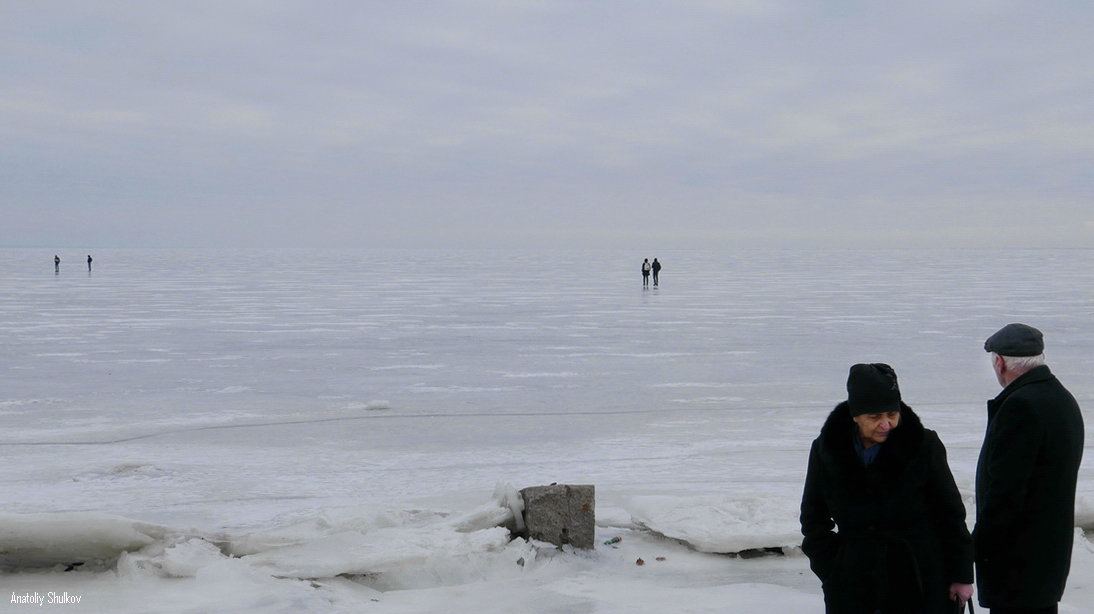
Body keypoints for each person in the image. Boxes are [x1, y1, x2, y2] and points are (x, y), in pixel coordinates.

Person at [800, 363, 974, 614]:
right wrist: (832, 569)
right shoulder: (826, 449)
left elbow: (950, 514)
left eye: (892, 414)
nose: (886, 424)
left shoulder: (924, 445)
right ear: (855, 415)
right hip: (852, 583)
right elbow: (813, 517)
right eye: (875, 417)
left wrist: (961, 575)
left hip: (919, 578)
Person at [974, 323, 1084, 614]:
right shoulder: (1062, 399)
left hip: (1016, 567)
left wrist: (977, 549)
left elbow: (1005, 492)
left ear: (999, 362)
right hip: (1047, 561)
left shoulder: (1020, 406)